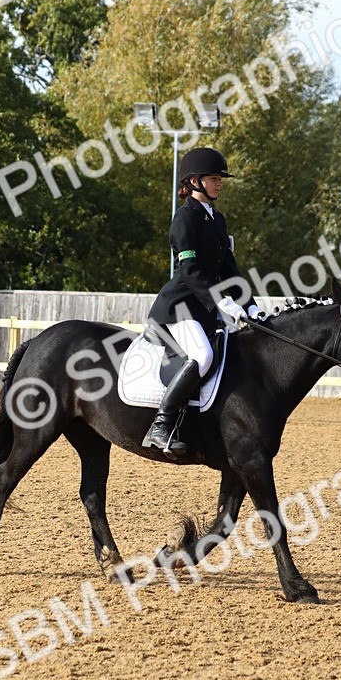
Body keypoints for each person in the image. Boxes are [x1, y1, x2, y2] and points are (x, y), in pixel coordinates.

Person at [142, 146, 259, 455]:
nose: (219, 183)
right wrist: (222, 302)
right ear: (194, 181)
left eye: (220, 178)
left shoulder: (217, 219)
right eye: (213, 178)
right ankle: (161, 425)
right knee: (203, 356)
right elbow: (190, 270)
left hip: (206, 307)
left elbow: (229, 269)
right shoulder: (185, 219)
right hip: (180, 307)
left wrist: (249, 304)